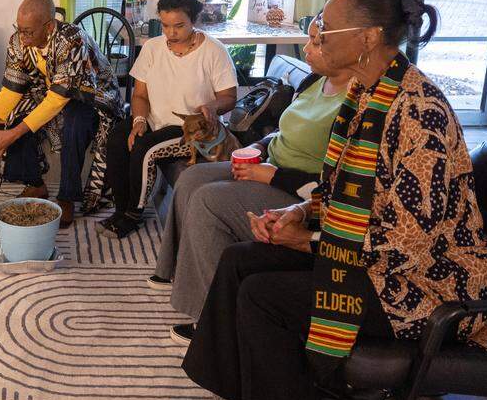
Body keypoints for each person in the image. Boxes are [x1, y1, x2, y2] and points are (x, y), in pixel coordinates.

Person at [148, 0, 487, 400]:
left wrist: (308, 240)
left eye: (328, 28)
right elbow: (344, 195)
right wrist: (296, 213)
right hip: (373, 260)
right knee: (238, 262)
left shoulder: (419, 112)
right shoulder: (364, 95)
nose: (318, 34)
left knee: (261, 296)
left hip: (419, 286)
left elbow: (413, 241)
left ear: (369, 38)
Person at [151, 33, 354, 344]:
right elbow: (282, 132)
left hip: (295, 191)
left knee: (208, 200)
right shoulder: (314, 82)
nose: (308, 49)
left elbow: (331, 186)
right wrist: (258, 146)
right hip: (268, 165)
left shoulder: (356, 103)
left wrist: (271, 176)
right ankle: (174, 270)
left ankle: (213, 324)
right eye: (310, 39)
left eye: (317, 42)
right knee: (191, 178)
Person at [99, 0, 237, 239]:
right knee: (119, 138)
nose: (170, 33)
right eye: (165, 25)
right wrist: (139, 120)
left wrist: (213, 107)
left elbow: (229, 97)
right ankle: (120, 209)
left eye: (179, 26)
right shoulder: (153, 48)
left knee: (146, 148)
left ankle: (133, 214)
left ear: (194, 21)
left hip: (192, 128)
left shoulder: (215, 52)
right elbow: (140, 95)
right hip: (156, 120)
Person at [0, 0, 122, 227]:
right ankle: (35, 184)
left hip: (92, 95)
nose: (22, 37)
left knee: (74, 123)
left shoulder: (72, 41)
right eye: (19, 29)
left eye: (28, 32)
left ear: (50, 26)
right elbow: (13, 86)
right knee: (17, 115)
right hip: (52, 90)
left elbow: (57, 100)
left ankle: (67, 197)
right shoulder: (17, 41)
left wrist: (11, 136)